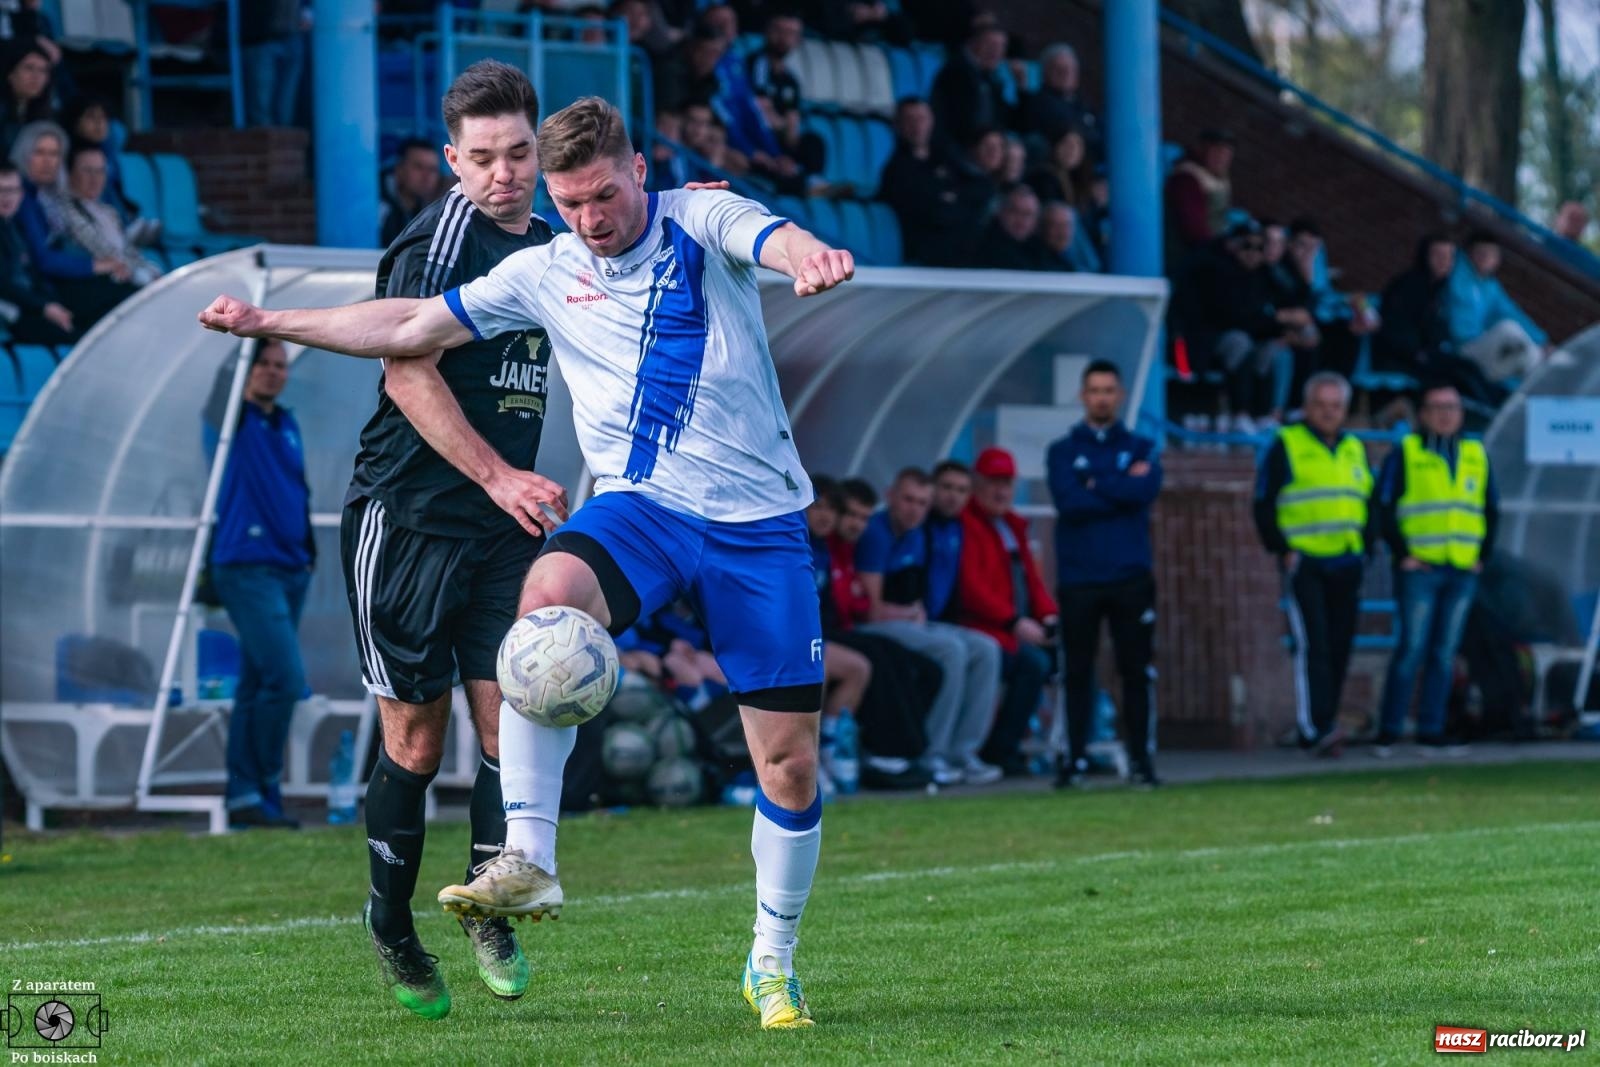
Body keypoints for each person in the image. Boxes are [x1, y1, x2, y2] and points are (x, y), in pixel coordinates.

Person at [199, 95, 855, 1031]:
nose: (589, 221)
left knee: (787, 765)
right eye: (571, 203)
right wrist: (270, 318)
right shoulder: (545, 267)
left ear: (637, 170)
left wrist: (810, 257)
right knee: (547, 598)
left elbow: (771, 235)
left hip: (758, 523)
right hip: (643, 507)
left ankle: (772, 959)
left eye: (601, 197)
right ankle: (527, 856)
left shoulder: (698, 217)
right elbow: (405, 329)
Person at [320, 62, 573, 1019]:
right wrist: (501, 473)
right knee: (417, 743)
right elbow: (406, 376)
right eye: (483, 158)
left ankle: (484, 906)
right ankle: (390, 923)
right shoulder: (436, 244)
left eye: (518, 154)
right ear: (449, 158)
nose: (504, 174)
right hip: (410, 519)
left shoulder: (552, 245)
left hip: (502, 528)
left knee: (516, 720)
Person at [208, 340, 314, 830]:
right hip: (247, 567)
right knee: (286, 680)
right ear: (245, 371)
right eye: (263, 364)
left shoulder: (286, 422)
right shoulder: (233, 420)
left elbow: (296, 488)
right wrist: (254, 325)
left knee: (257, 683)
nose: (273, 373)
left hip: (290, 566)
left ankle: (247, 797)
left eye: (279, 365)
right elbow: (220, 388)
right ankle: (260, 785)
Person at [1047, 360, 1162, 788]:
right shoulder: (1063, 449)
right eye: (1094, 390)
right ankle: (1072, 759)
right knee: (1076, 671)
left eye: (1109, 390)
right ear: (1083, 395)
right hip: (1080, 578)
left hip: (1131, 576)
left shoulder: (1141, 446)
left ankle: (1141, 761)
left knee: (1136, 671)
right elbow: (1069, 501)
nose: (1101, 397)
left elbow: (1145, 491)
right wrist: (1117, 485)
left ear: (1121, 395)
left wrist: (1096, 482)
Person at [853, 467, 1002, 787]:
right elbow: (872, 611)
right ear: (890, 496)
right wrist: (909, 614)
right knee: (951, 649)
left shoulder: (918, 534)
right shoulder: (877, 533)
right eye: (908, 500)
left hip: (909, 621)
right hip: (871, 627)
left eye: (922, 503)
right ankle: (931, 751)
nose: (914, 509)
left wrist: (912, 614)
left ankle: (963, 752)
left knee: (986, 648)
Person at [1372, 382, 1498, 756]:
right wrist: (1401, 553)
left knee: (1445, 654)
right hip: (1420, 568)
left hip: (1461, 568)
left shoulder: (1475, 453)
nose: (1445, 415)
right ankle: (1390, 731)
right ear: (1423, 414)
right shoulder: (1407, 452)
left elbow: (1491, 509)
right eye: (1437, 407)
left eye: (1452, 408)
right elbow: (1384, 506)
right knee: (1411, 648)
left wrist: (1481, 557)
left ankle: (1431, 730)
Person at [1252, 372, 1371, 756]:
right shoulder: (1287, 444)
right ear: (1307, 407)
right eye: (1320, 405)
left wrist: (1364, 546)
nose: (1328, 413)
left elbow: (1366, 500)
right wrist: (1282, 548)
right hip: (1306, 562)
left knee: (1339, 646)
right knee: (1313, 646)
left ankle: (1327, 721)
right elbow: (1264, 502)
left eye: (1335, 406)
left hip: (1346, 560)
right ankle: (1312, 727)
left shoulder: (1354, 447)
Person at [954, 447, 1057, 775]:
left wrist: (1049, 616)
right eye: (992, 482)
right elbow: (971, 588)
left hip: (1013, 627)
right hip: (985, 627)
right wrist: (1014, 622)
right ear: (977, 483)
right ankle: (1000, 749)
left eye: (1006, 483)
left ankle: (1077, 747)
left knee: (1070, 655)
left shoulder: (1012, 526)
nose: (1001, 491)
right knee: (1032, 664)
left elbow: (1031, 581)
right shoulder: (966, 524)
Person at [877, 97, 978, 267]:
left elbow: (978, 187)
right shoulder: (896, 170)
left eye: (922, 119)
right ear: (898, 125)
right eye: (910, 120)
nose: (917, 126)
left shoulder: (946, 157)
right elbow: (926, 211)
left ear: (932, 121)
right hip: (925, 257)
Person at [1445, 231, 1548, 384]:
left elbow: (1511, 312)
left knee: (1523, 353)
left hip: (1478, 348)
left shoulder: (1490, 286)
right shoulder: (1456, 271)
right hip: (1455, 347)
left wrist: (1541, 340)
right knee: (1509, 330)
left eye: (1492, 254)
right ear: (1470, 253)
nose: (1486, 258)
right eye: (1481, 253)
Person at [60, 143, 162, 286]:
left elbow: (127, 250)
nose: (95, 178)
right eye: (87, 171)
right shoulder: (67, 209)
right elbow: (97, 248)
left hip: (127, 275)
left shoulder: (109, 211)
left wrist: (148, 269)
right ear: (70, 173)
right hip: (100, 284)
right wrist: (133, 270)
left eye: (100, 171)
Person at [0, 159, 73, 342]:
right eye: (2, 190)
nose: (7, 197)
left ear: (21, 194)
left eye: (13, 190)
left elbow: (34, 273)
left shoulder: (16, 227)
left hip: (29, 305)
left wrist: (51, 303)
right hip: (12, 311)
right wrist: (44, 307)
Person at [1164, 128, 1232, 267]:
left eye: (1226, 153)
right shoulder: (1187, 177)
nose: (1221, 158)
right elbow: (1193, 229)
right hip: (1188, 255)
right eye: (1216, 151)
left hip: (1210, 251)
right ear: (1202, 149)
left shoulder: (1219, 177)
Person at [241, 0, 306, 128]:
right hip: (259, 36)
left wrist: (308, 11)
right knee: (261, 107)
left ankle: (284, 141)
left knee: (286, 108)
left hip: (292, 34)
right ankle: (263, 142)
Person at [377, 138, 442, 248]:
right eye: (418, 167)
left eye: (432, 169)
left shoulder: (433, 211)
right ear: (399, 170)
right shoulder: (377, 207)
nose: (426, 176)